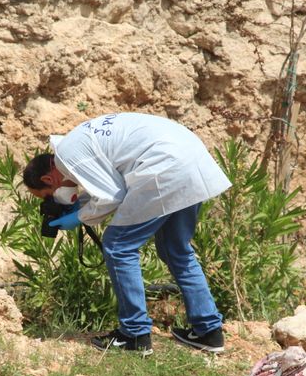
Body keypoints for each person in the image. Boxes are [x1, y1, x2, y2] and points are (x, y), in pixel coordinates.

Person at [22, 112, 232, 355]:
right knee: (176, 250)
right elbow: (109, 185)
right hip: (190, 159)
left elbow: (112, 197)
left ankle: (134, 334)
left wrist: (75, 217)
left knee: (118, 246)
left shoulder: (68, 158)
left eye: (48, 196)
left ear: (49, 178)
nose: (53, 201)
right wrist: (80, 206)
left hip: (163, 167)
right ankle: (209, 332)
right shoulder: (74, 145)